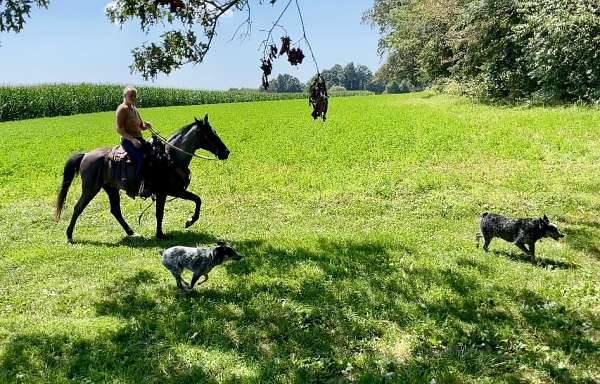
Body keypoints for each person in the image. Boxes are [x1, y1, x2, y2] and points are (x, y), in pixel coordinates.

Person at [116, 86, 152, 197]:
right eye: (131, 95)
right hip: (128, 140)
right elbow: (119, 129)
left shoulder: (134, 109)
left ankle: (151, 181)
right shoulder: (122, 109)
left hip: (139, 138)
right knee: (141, 157)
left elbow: (141, 126)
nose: (133, 97)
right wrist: (132, 140)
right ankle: (138, 186)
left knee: (153, 153)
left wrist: (145, 126)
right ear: (125, 96)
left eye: (135, 95)